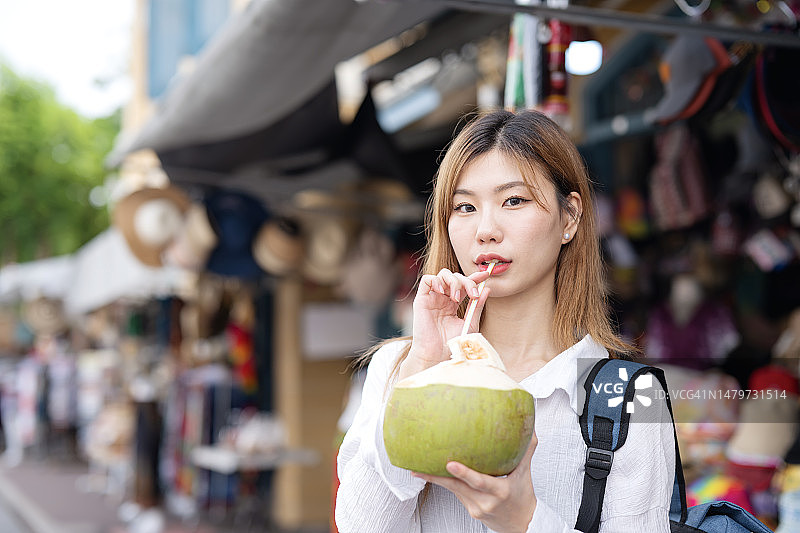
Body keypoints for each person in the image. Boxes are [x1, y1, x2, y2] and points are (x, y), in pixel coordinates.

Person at [335, 109, 675, 532]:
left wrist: (524, 520)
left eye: (514, 200)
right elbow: (361, 525)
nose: (486, 230)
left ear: (569, 217)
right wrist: (423, 364)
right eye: (465, 206)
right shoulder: (399, 369)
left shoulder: (634, 397)